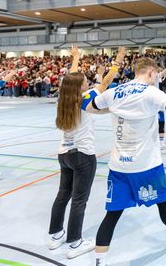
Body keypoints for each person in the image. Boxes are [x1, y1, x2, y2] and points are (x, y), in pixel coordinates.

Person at [84, 57, 166, 266]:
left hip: (118, 167)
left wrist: (113, 108)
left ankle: (99, 262)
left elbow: (90, 107)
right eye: (155, 74)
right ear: (150, 73)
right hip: (147, 166)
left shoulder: (114, 92)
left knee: (111, 216)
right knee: (163, 202)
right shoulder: (150, 92)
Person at [47, 46, 123, 259]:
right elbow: (106, 82)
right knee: (79, 199)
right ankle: (74, 243)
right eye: (85, 82)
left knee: (63, 195)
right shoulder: (84, 99)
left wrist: (77, 58)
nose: (88, 82)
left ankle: (55, 235)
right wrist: (117, 61)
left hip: (64, 154)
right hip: (82, 156)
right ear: (80, 87)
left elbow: (70, 79)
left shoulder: (63, 99)